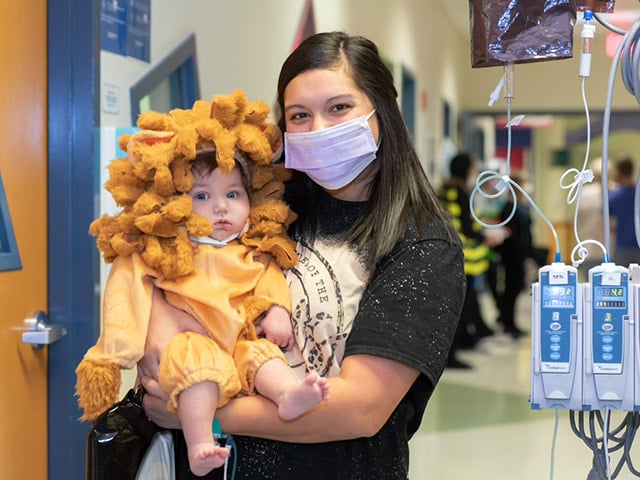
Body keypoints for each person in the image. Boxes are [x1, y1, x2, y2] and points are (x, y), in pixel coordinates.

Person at [139, 31, 465, 480]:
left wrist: (201, 412)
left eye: (339, 108)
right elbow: (181, 281)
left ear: (381, 113)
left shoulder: (422, 243)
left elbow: (360, 411)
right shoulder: (264, 209)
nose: (319, 129)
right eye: (299, 115)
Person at [79, 150, 330, 477]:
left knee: (263, 354)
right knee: (196, 365)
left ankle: (287, 395)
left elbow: (270, 281)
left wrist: (277, 312)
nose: (221, 206)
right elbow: (127, 298)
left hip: (238, 342)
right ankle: (200, 443)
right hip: (190, 344)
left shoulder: (252, 252)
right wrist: (115, 352)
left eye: (233, 194)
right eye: (202, 195)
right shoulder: (166, 250)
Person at [438, 152, 495, 367]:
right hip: (465, 259)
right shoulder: (461, 193)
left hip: (449, 257)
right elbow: (467, 227)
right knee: (461, 309)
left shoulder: (443, 190)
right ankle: (453, 354)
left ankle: (467, 341)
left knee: (460, 307)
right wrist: (486, 235)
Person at [492, 172, 533, 339]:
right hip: (512, 255)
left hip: (518, 253)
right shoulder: (510, 207)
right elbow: (511, 233)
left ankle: (507, 320)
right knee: (511, 288)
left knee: (514, 288)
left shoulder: (520, 205)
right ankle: (508, 322)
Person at [609, 154, 640, 267]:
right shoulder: (637, 194)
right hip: (638, 245)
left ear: (618, 171)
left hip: (622, 248)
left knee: (621, 282)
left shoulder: (615, 196)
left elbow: (605, 222)